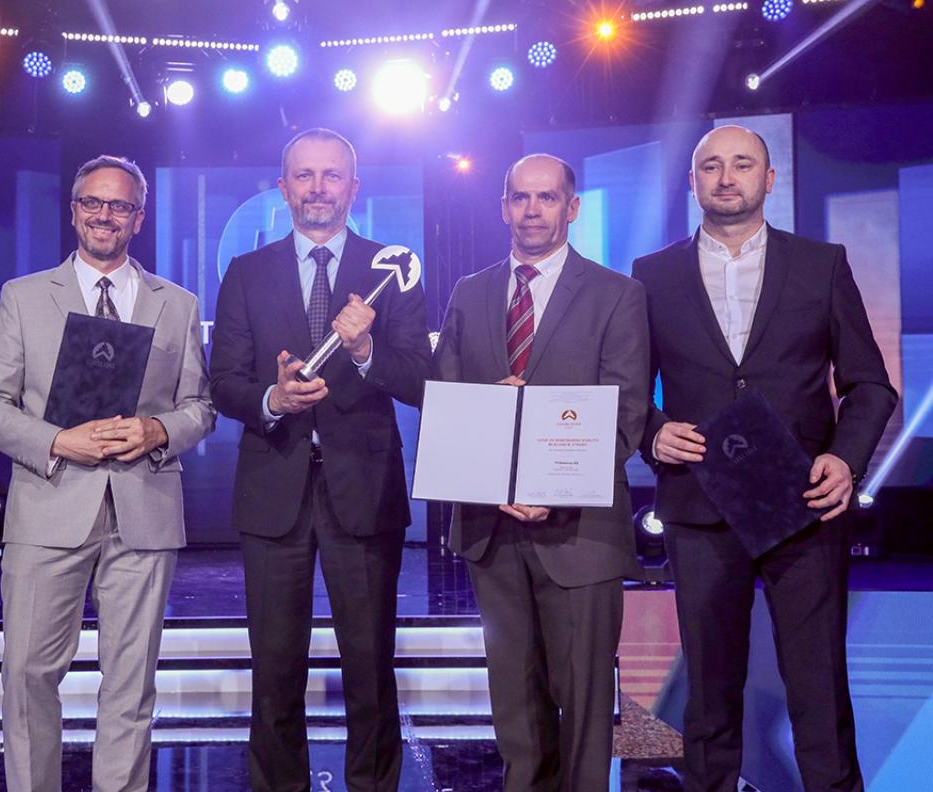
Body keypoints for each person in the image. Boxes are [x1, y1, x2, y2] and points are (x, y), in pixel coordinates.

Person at [632, 125, 897, 792]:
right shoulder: (652, 274)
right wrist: (652, 432)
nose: (727, 177)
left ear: (769, 179)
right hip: (698, 499)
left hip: (802, 500)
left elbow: (870, 385)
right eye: (711, 166)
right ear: (692, 182)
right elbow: (628, 389)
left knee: (817, 687)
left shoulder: (820, 264)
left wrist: (845, 460)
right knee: (709, 691)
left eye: (743, 164)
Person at [0, 155, 215, 792]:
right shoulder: (24, 297)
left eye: (120, 205)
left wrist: (158, 431)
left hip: (143, 509)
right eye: (93, 203)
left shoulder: (178, 304)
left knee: (131, 683)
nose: (106, 215)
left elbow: (200, 407)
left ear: (139, 217)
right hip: (48, 506)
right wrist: (56, 440)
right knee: (28, 676)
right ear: (75, 211)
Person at [208, 128, 431, 791]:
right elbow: (224, 382)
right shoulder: (247, 272)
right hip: (272, 491)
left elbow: (421, 379)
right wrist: (273, 398)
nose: (317, 188)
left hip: (364, 491)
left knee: (370, 668)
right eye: (304, 176)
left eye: (331, 176)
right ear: (283, 189)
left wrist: (365, 353)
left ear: (353, 188)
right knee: (275, 672)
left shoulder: (391, 269)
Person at [433, 154, 650, 790]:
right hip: (493, 527)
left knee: (583, 704)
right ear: (503, 207)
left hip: (581, 533)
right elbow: (448, 399)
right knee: (515, 708)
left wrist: (553, 489)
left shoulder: (617, 294)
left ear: (571, 207)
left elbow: (627, 410)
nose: (532, 210)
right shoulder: (470, 293)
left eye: (547, 197)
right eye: (520, 197)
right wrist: (490, 436)